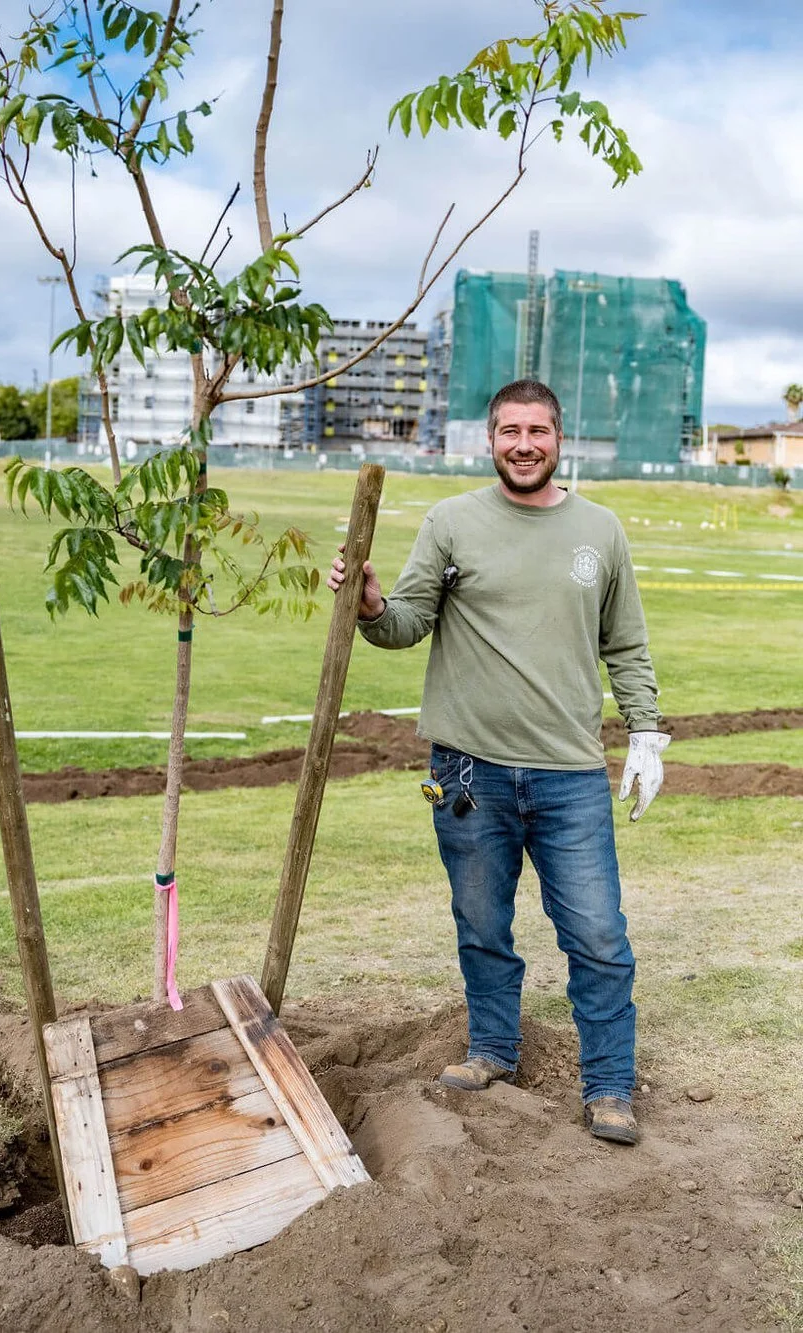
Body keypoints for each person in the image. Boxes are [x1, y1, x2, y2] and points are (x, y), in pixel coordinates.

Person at [327, 379, 669, 1146]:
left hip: (569, 773)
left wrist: (644, 730)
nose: (524, 444)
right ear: (489, 440)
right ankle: (491, 1049)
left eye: (538, 431)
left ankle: (610, 1084)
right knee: (481, 922)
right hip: (468, 774)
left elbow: (627, 642)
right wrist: (375, 605)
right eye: (510, 430)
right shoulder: (452, 523)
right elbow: (407, 624)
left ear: (559, 438)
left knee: (598, 935)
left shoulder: (601, 531)